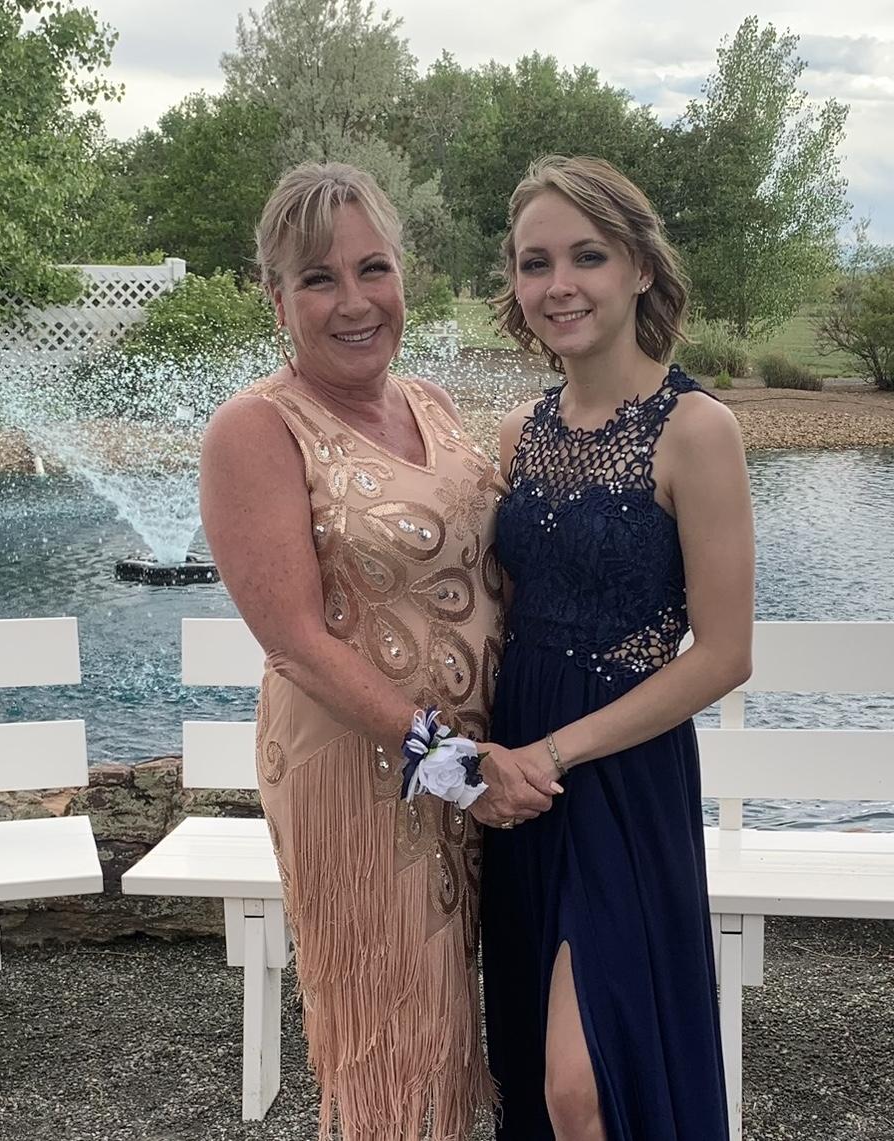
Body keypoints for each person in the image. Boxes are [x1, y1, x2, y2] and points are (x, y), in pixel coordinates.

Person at [198, 162, 554, 1141]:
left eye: (373, 268)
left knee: (477, 1028)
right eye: (318, 278)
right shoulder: (256, 429)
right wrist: (454, 767)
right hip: (369, 776)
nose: (353, 302)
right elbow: (296, 644)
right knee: (397, 1050)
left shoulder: (431, 401)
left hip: (484, 768)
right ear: (276, 299)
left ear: (404, 274)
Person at [477, 154, 755, 1141]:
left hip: (620, 773)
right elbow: (489, 613)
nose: (559, 285)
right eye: (535, 263)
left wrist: (557, 751)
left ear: (639, 266)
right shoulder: (515, 432)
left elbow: (723, 654)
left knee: (582, 1083)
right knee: (532, 1070)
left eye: (586, 256)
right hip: (515, 772)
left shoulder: (697, 430)